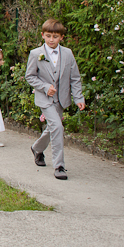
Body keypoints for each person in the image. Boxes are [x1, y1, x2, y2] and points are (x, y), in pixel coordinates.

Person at [25, 18, 86, 180]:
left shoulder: (67, 54)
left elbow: (75, 77)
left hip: (62, 99)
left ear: (61, 38)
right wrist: (45, 87)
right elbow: (30, 77)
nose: (51, 40)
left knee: (52, 128)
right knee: (58, 127)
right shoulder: (36, 54)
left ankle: (37, 148)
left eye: (55, 37)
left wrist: (78, 97)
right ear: (43, 35)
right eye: (49, 36)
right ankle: (59, 166)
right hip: (45, 99)